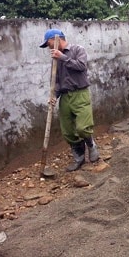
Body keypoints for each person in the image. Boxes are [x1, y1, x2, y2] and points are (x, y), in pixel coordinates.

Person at [39, 28, 99, 172]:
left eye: (48, 44)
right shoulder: (55, 59)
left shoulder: (78, 50)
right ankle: (79, 158)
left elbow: (81, 66)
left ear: (56, 39)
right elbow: (57, 81)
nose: (48, 47)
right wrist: (54, 95)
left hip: (80, 94)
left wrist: (63, 57)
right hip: (65, 96)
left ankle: (91, 145)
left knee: (83, 128)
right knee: (68, 131)